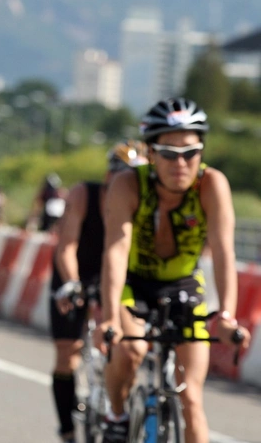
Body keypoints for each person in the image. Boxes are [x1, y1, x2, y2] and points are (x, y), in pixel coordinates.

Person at [94, 98, 252, 443]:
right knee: (131, 350)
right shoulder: (127, 184)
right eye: (169, 153)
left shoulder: (212, 184)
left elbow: (224, 252)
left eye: (190, 153)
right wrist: (108, 318)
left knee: (191, 398)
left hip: (182, 285)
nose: (180, 163)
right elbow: (116, 251)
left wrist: (227, 316)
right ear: (151, 153)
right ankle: (117, 415)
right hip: (133, 284)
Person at [49, 141, 147, 443]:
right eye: (122, 176)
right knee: (68, 353)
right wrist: (72, 283)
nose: (128, 185)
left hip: (114, 278)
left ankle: (117, 410)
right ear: (108, 176)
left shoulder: (143, 202)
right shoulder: (84, 194)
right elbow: (67, 246)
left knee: (126, 344)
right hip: (74, 272)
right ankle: (67, 429)